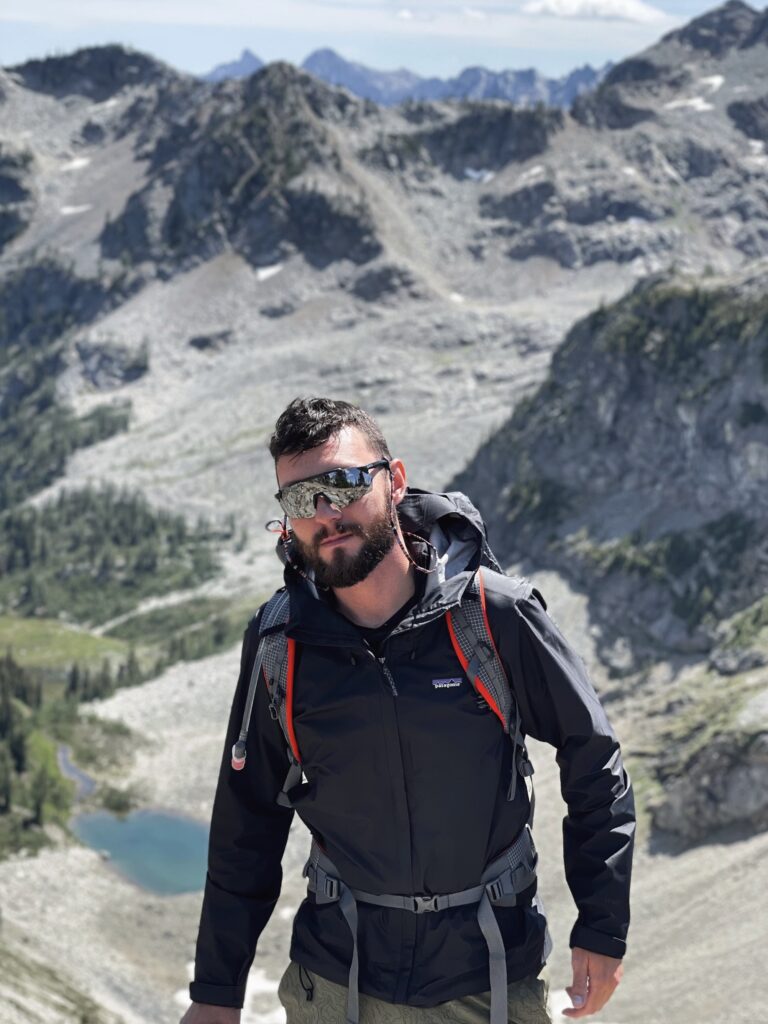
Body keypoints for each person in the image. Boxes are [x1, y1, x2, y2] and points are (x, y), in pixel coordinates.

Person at [180, 397, 635, 1024]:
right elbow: (247, 820)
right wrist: (215, 993)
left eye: (341, 483)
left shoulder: (493, 616)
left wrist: (604, 927)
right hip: (332, 984)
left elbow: (594, 757)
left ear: (394, 480)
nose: (325, 514)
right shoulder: (279, 642)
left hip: (488, 979)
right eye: (299, 498)